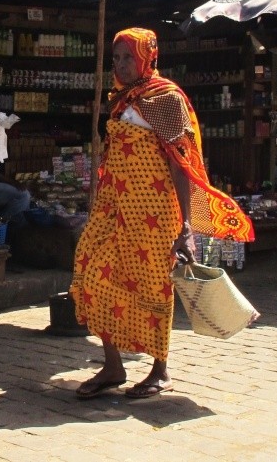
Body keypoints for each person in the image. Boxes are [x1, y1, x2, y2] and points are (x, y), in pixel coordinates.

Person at [69, 28, 254, 400]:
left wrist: (186, 225)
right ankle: (113, 365)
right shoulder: (121, 99)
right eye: (116, 58)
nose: (120, 65)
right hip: (114, 208)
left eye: (127, 57)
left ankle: (160, 369)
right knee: (92, 272)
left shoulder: (165, 98)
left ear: (147, 58)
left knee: (153, 284)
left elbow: (181, 163)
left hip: (154, 211)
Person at [0, 130, 30, 222]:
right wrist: (14, 183)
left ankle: (16, 223)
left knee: (25, 203)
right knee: (24, 195)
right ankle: (2, 221)